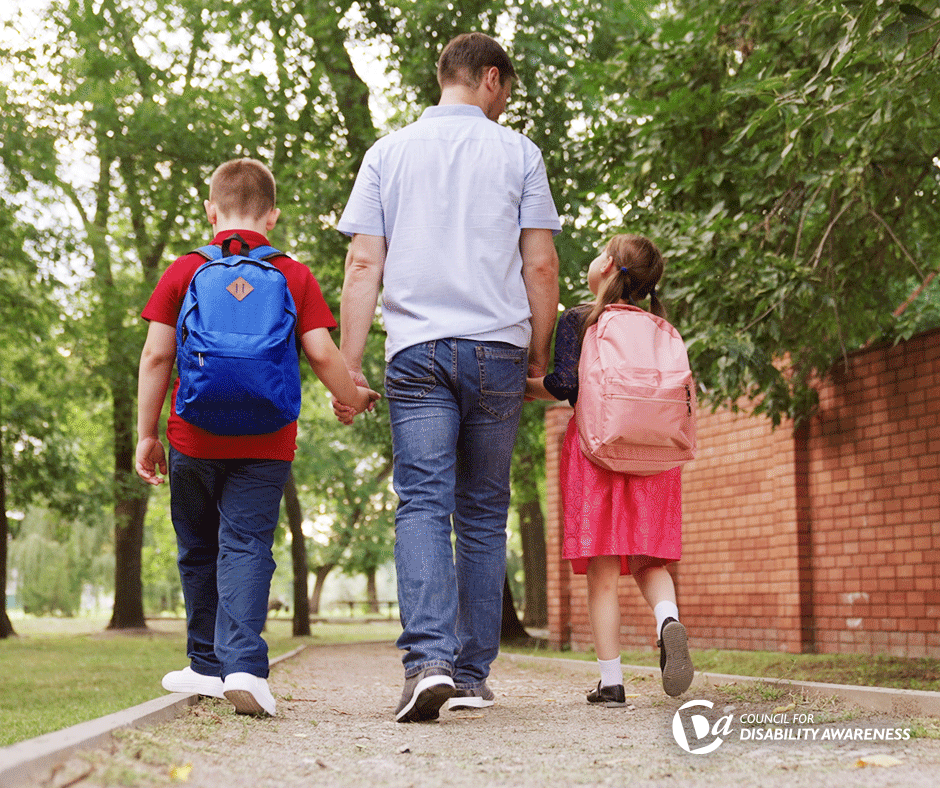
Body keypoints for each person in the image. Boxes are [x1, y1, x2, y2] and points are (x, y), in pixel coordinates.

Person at [335, 32, 561, 722]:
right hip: (497, 352)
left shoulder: (387, 153)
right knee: (484, 512)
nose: (505, 104)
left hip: (418, 354)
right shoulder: (519, 154)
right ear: (491, 78)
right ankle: (469, 675)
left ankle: (427, 664)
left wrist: (349, 367)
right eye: (507, 91)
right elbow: (541, 264)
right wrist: (539, 357)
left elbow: (363, 265)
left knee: (423, 504)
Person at [136, 158, 378, 717]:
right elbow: (323, 354)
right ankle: (243, 666)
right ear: (272, 215)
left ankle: (204, 663)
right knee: (246, 545)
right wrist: (352, 396)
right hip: (267, 441)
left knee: (198, 548)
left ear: (210, 211)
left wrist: (147, 435)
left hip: (193, 436)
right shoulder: (293, 274)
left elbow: (156, 356)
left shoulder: (184, 270)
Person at [525, 234, 694, 704]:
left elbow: (565, 384)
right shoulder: (659, 328)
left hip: (595, 453)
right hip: (656, 458)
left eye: (602, 251)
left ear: (608, 267)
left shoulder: (581, 319)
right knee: (649, 559)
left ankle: (612, 682)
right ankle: (667, 619)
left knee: (602, 571)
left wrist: (523, 387)